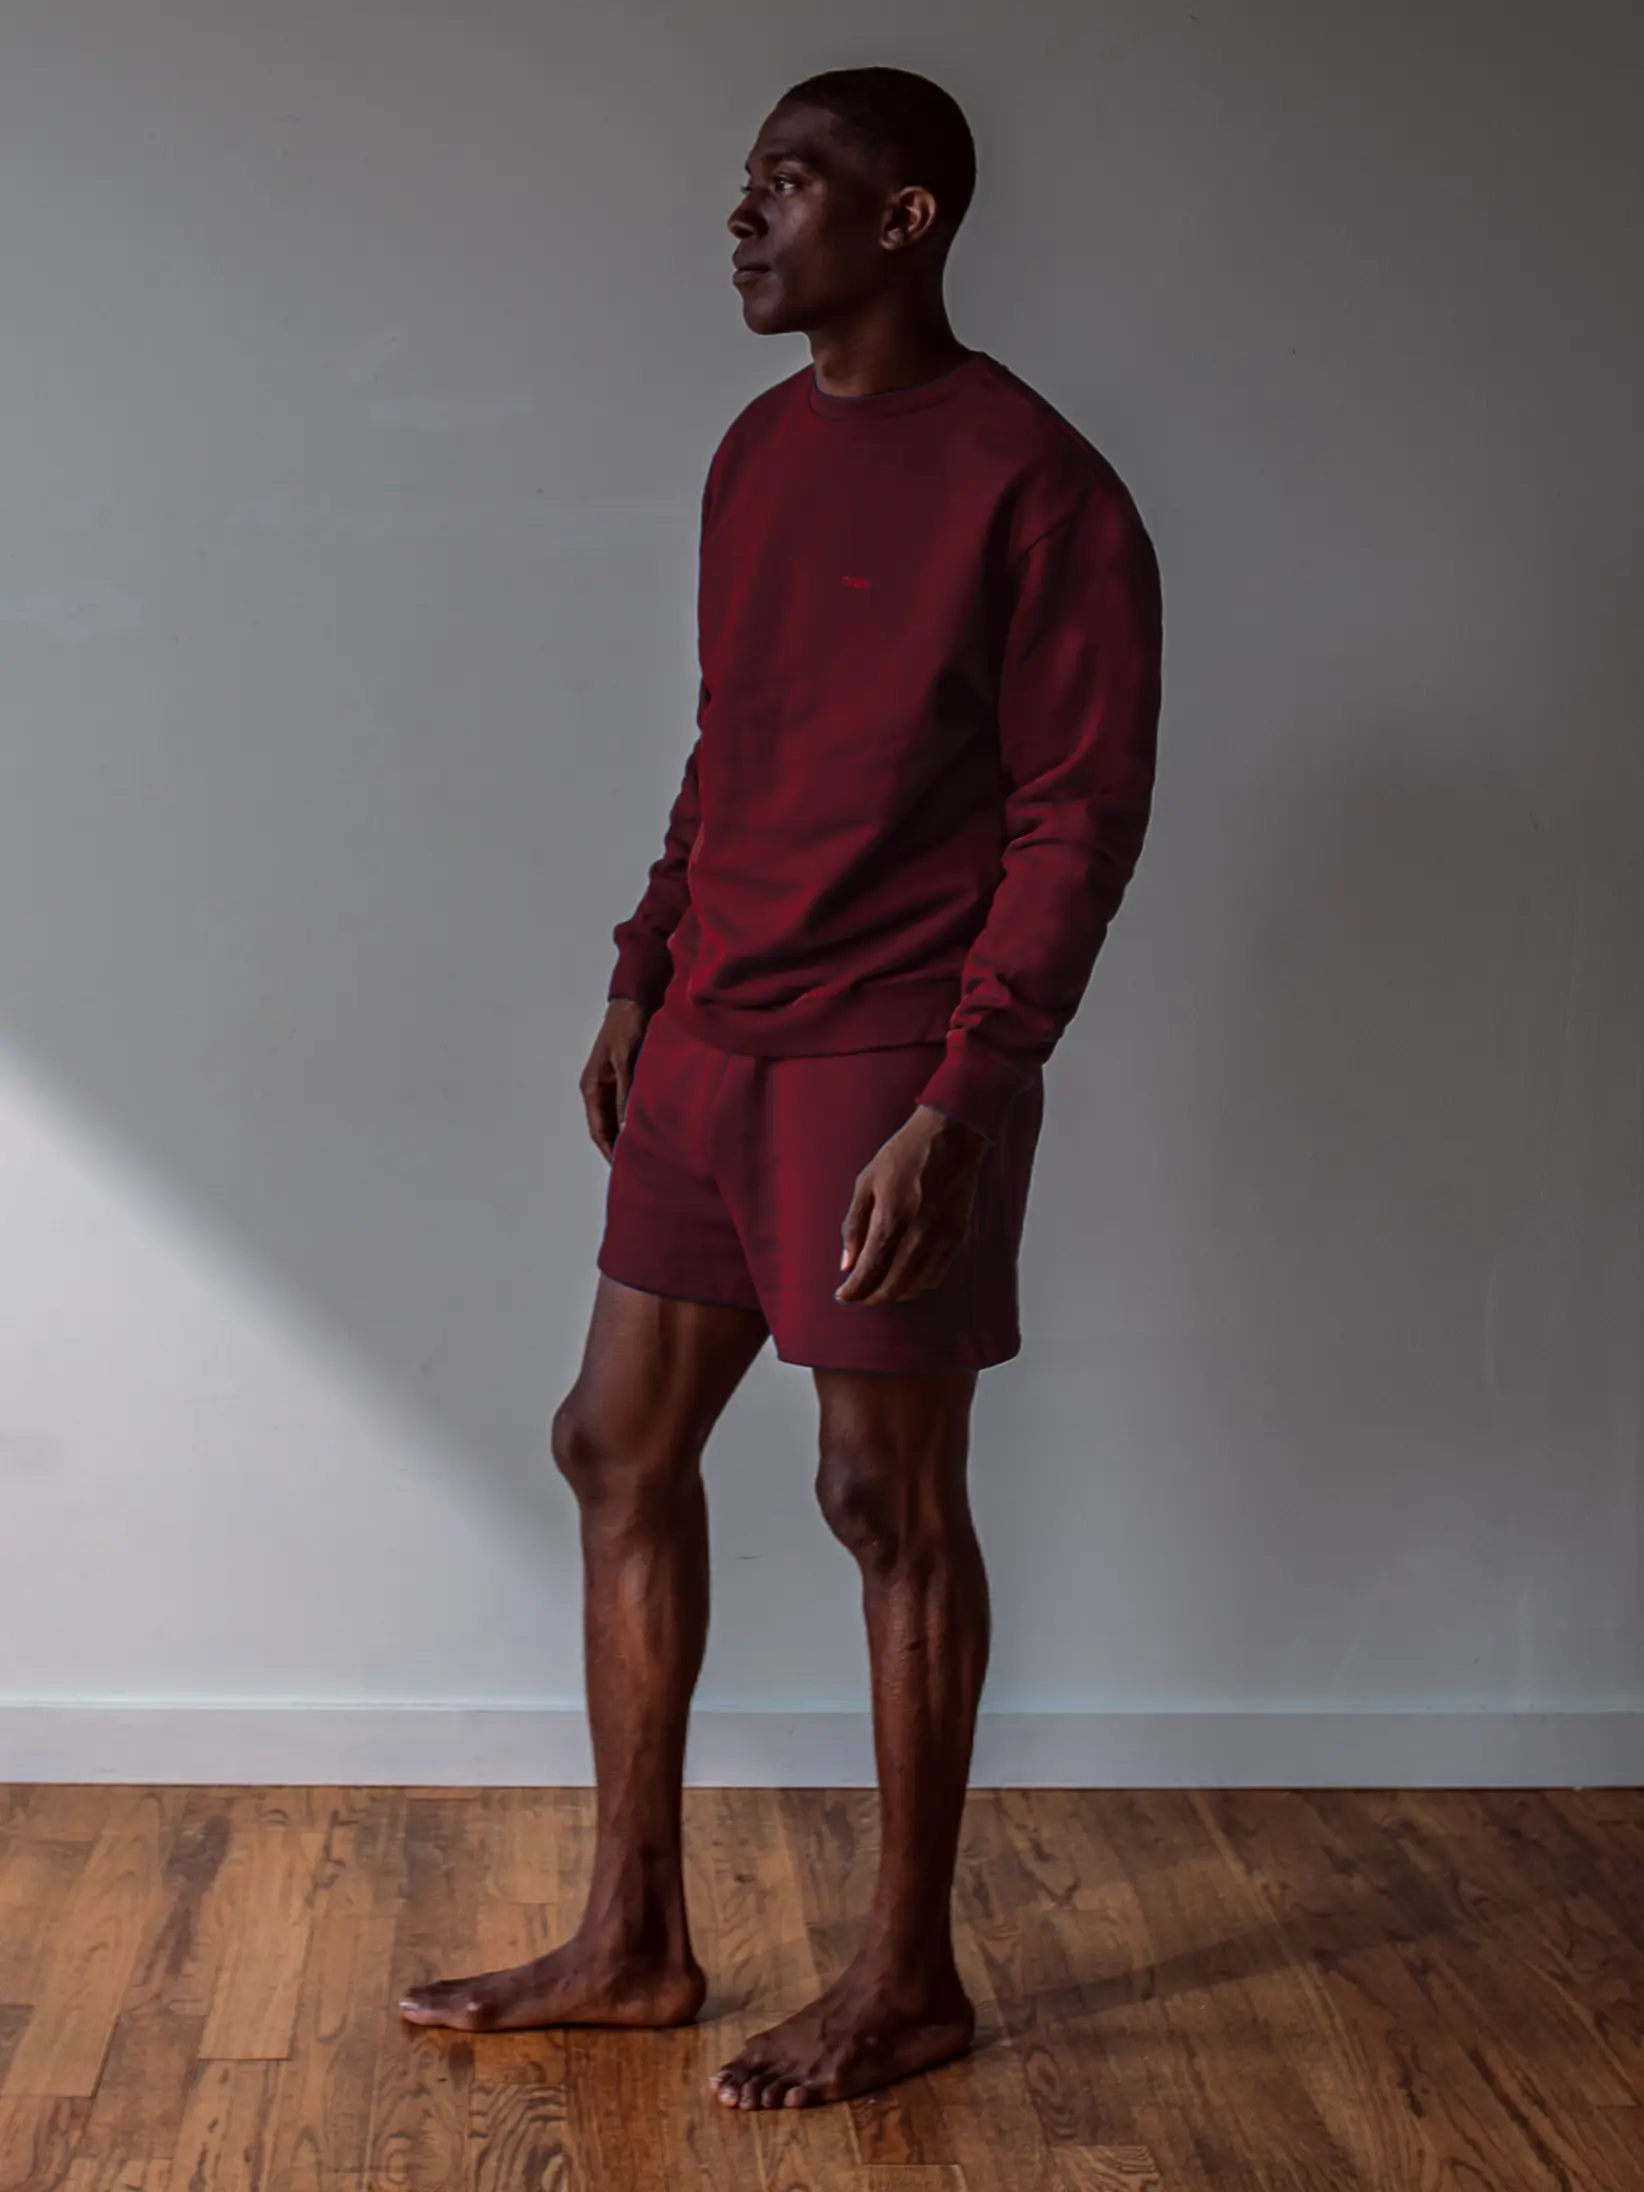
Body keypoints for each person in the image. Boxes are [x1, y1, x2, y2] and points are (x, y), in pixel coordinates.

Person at [399, 62, 1163, 2112]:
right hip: (712, 1037)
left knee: (880, 1499)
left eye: (794, 186)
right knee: (609, 1444)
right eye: (745, 185)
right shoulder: (752, 451)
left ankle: (910, 1977)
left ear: (905, 222)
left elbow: (1077, 819)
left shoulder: (1041, 483)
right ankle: (635, 1934)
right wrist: (644, 966)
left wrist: (966, 1093)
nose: (746, 220)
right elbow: (734, 738)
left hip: (882, 1053)